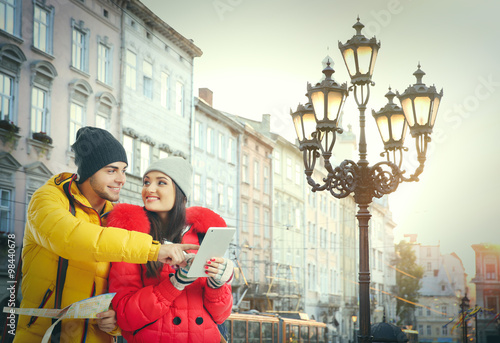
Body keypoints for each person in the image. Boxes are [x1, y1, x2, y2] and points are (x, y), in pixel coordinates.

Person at [14, 127, 197, 343]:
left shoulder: (118, 217)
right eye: (111, 170)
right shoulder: (48, 200)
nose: (122, 179)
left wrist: (116, 322)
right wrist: (153, 250)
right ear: (90, 170)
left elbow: (124, 288)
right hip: (42, 335)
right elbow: (72, 238)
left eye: (124, 170)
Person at [107, 157, 234, 343]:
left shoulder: (202, 236)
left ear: (180, 192)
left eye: (161, 182)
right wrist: (175, 284)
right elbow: (124, 314)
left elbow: (220, 316)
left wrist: (217, 284)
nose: (149, 189)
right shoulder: (131, 238)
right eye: (146, 182)